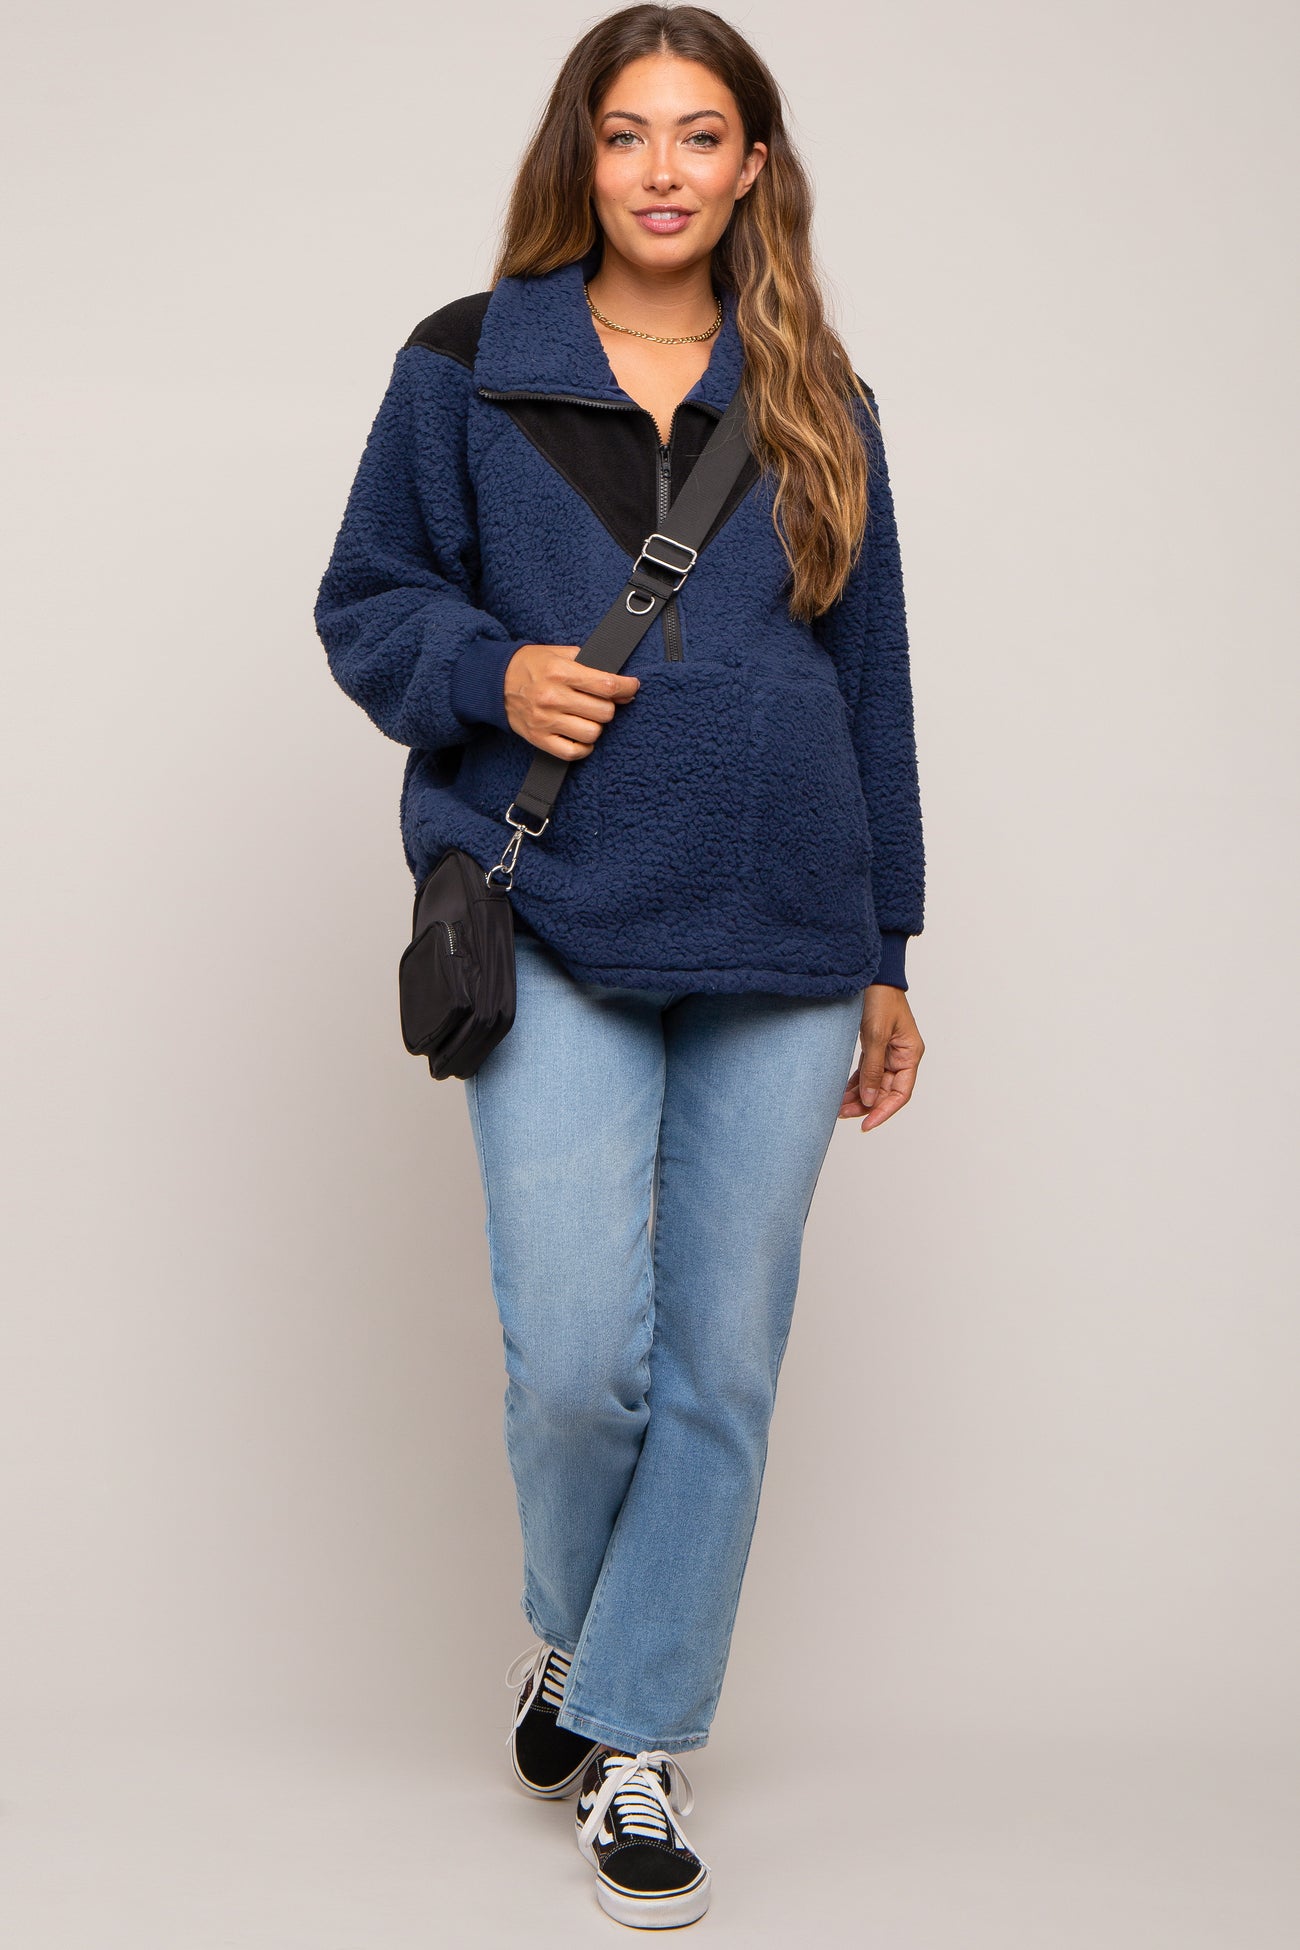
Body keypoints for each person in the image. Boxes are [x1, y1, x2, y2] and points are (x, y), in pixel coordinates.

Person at [314, 3, 926, 1929]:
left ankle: (635, 1735)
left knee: (725, 1364)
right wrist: (491, 674)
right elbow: (364, 600)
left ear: (754, 165)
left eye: (701, 133)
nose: (663, 168)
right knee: (582, 1360)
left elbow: (873, 681)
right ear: (581, 153)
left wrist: (889, 946)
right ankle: (578, 1637)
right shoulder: (467, 363)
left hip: (787, 927)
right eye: (627, 131)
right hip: (560, 906)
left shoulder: (818, 390)